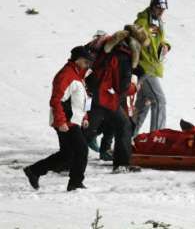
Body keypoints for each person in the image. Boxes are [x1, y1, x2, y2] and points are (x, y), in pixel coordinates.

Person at [23, 46, 93, 191]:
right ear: (79, 60)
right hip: (66, 122)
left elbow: (80, 100)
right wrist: (61, 122)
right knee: (81, 151)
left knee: (67, 154)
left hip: (72, 121)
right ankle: (75, 183)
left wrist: (84, 117)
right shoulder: (66, 75)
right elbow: (56, 100)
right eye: (86, 62)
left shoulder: (78, 75)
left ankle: (34, 171)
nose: (88, 65)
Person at [84, 24, 147, 173]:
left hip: (94, 92)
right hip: (104, 97)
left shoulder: (112, 46)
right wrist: (134, 87)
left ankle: (66, 160)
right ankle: (121, 164)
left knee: (91, 129)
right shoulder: (124, 55)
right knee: (122, 126)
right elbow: (122, 87)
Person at [133, 0, 171, 135]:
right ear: (152, 6)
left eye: (163, 9)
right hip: (145, 68)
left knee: (142, 105)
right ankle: (157, 137)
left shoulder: (158, 21)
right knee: (159, 101)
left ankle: (128, 138)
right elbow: (136, 43)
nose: (161, 11)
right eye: (158, 8)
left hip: (153, 67)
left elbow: (159, 40)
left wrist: (166, 45)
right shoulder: (142, 22)